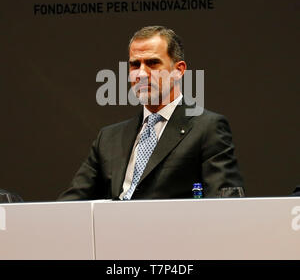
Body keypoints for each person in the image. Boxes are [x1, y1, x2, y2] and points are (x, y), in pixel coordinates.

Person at [58, 26, 245, 201]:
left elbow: (226, 207)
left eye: (152, 63)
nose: (142, 73)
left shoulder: (207, 128)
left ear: (178, 70)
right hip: (115, 233)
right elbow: (70, 205)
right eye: (134, 65)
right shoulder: (108, 138)